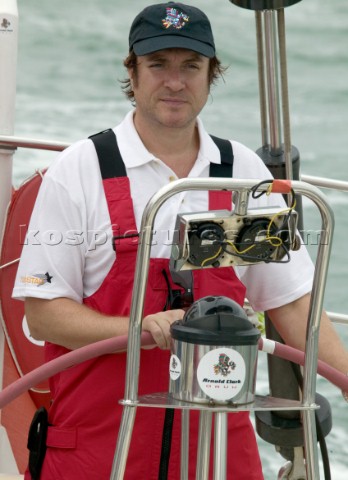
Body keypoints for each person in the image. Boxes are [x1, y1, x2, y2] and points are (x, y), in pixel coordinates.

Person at [13, 2, 348, 479]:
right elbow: (43, 314)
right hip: (102, 446)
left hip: (219, 448)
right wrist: (141, 327)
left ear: (212, 74)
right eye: (158, 65)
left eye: (191, 66)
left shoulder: (242, 174)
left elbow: (292, 303)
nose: (175, 81)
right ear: (132, 71)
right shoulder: (80, 170)